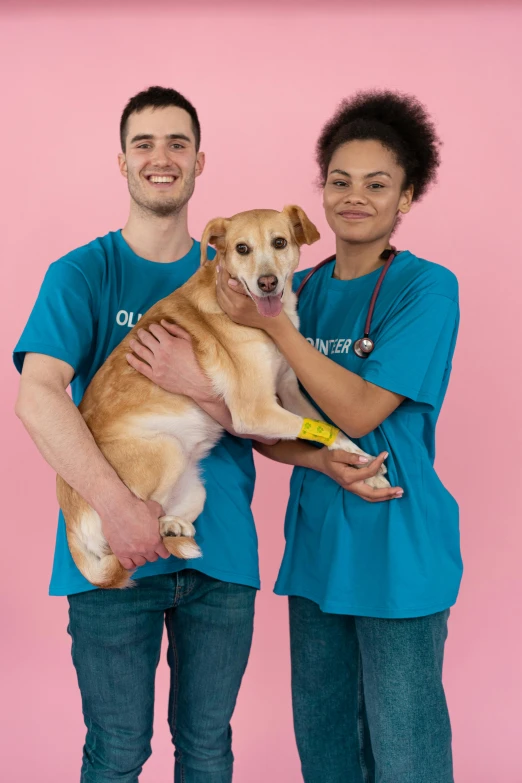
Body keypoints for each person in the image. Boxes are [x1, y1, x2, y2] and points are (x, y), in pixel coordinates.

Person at [148, 90, 460, 783]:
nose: (354, 197)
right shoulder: (300, 284)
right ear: (321, 192)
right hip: (318, 553)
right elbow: (266, 427)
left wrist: (271, 320)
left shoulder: (425, 289)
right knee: (325, 755)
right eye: (339, 181)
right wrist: (318, 460)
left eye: (377, 184)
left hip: (398, 546)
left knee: (406, 757)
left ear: (406, 196)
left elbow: (359, 411)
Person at [15, 85, 270, 783]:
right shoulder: (82, 273)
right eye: (145, 144)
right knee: (118, 752)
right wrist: (119, 508)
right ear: (122, 162)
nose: (162, 157)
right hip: (109, 558)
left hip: (220, 557)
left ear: (200, 161)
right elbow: (37, 396)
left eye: (178, 143)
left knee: (209, 749)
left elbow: (271, 420)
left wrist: (199, 384)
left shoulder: (241, 281)